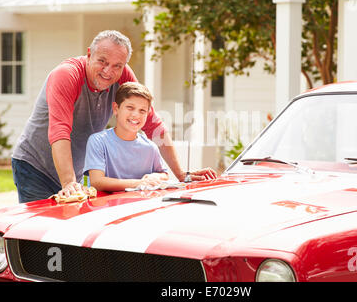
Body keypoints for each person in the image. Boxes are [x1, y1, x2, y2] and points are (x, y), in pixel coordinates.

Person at [12, 30, 216, 203]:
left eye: (117, 65)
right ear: (89, 54)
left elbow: (153, 124)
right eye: (102, 61)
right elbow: (59, 130)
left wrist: (181, 174)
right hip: (35, 166)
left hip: (72, 172)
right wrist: (69, 183)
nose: (108, 71)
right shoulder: (66, 75)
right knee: (39, 234)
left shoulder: (123, 74)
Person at [83, 82, 168, 192]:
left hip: (136, 206)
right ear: (116, 108)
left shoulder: (150, 148)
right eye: (130, 108)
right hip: (104, 207)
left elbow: (164, 174)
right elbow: (97, 182)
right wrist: (139, 183)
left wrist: (156, 177)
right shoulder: (98, 141)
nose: (136, 115)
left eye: (142, 111)